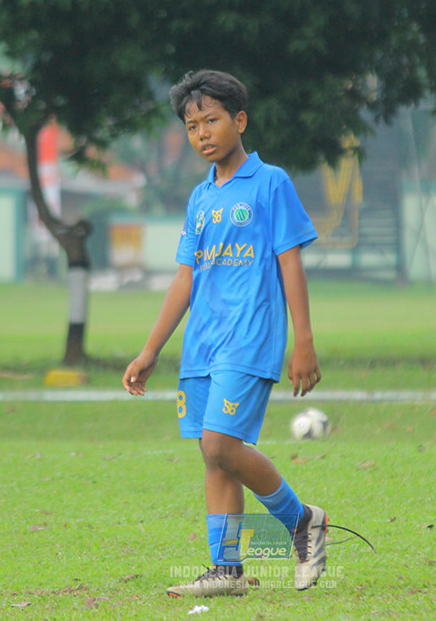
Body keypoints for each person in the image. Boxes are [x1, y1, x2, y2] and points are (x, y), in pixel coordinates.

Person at [123, 70, 326, 598]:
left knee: (222, 443)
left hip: (250, 338)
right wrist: (150, 350)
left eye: (211, 121)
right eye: (192, 126)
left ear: (239, 120)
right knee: (212, 454)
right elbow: (185, 278)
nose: (202, 134)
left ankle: (301, 521)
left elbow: (290, 264)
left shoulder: (271, 182)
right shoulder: (198, 198)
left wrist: (302, 340)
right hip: (203, 345)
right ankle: (226, 570)